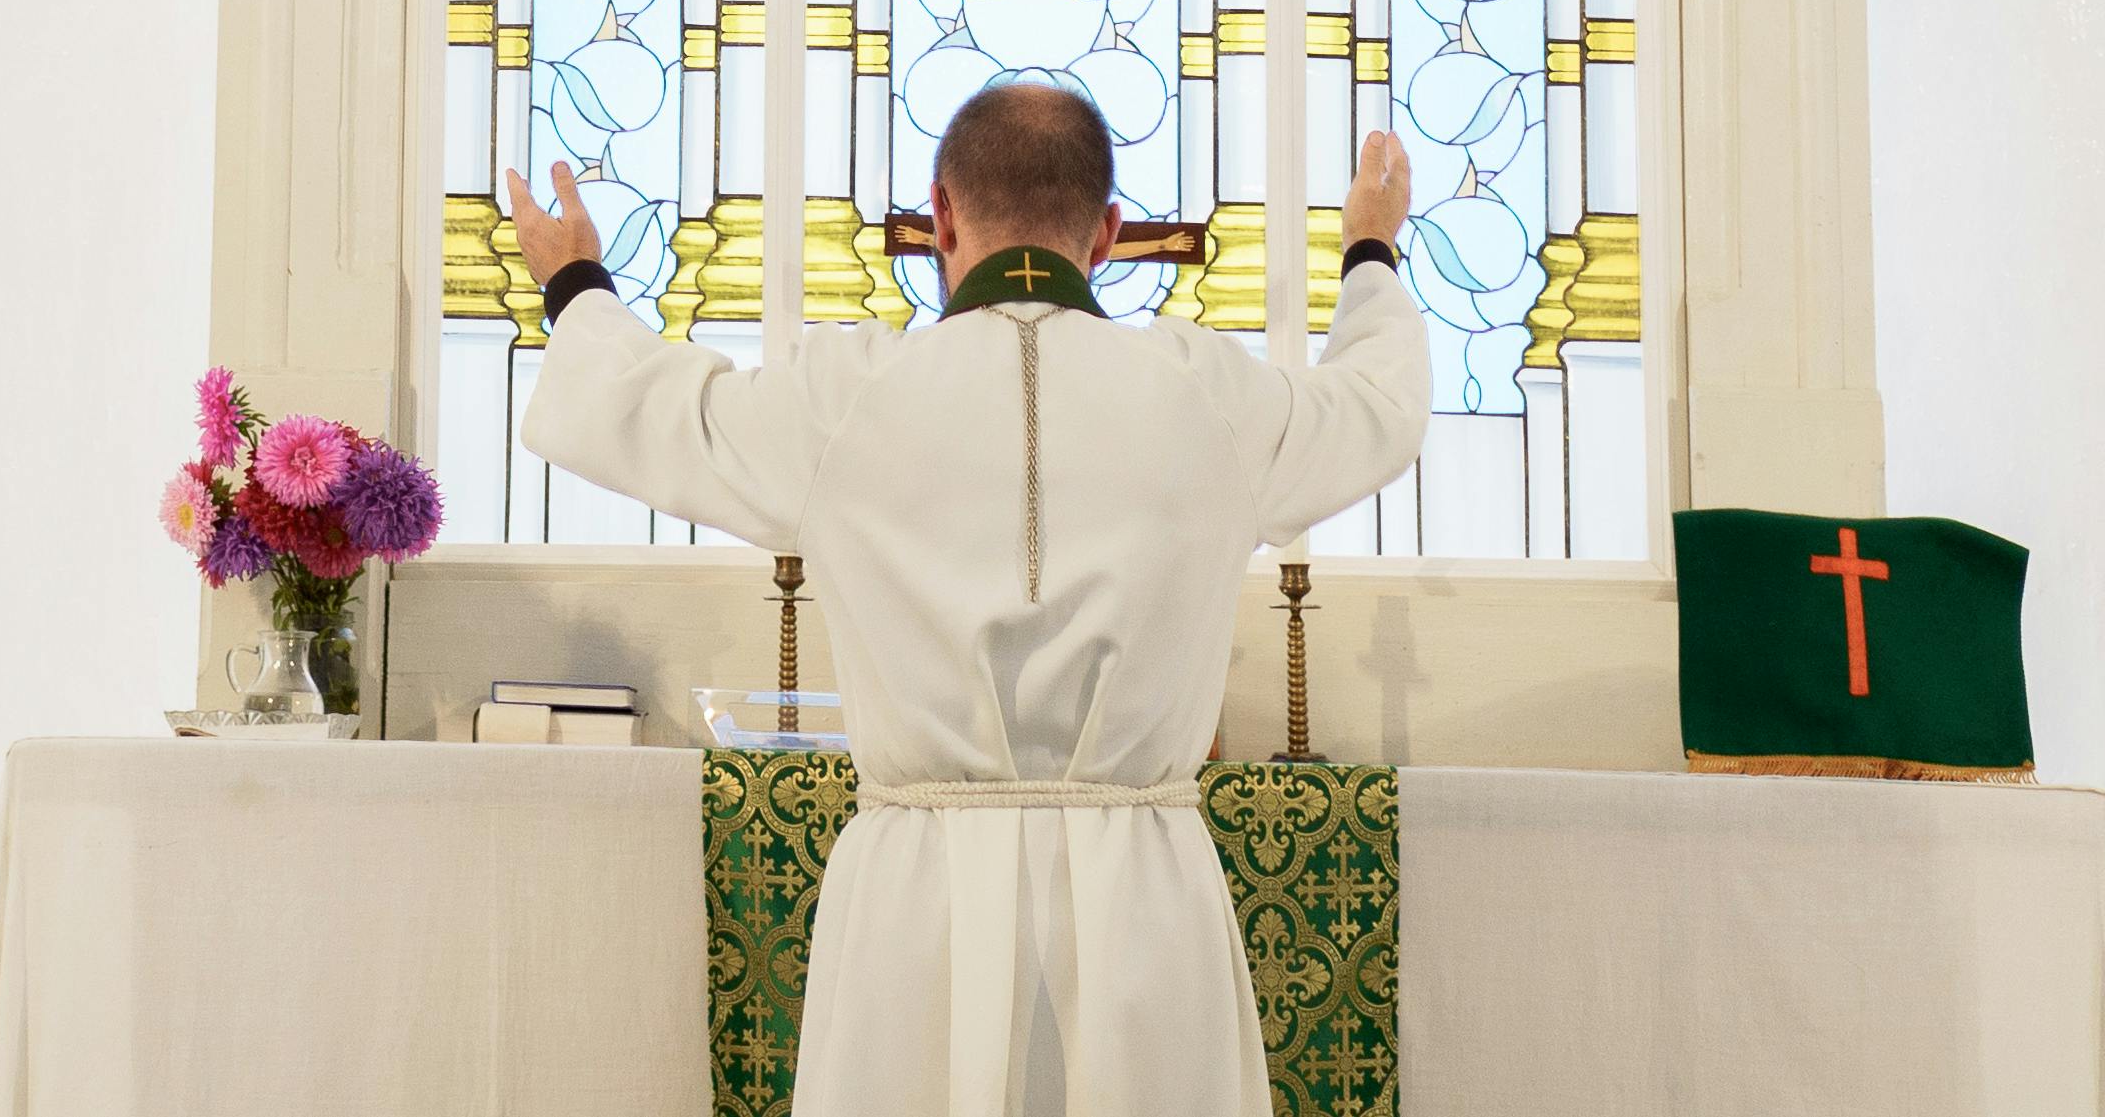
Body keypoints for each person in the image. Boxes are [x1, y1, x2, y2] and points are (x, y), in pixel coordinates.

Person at [503, 85, 1428, 1117]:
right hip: (1142, 894)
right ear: (1108, 232)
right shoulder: (1207, 392)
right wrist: (1368, 254)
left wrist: (576, 280)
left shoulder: (844, 393)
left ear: (939, 216)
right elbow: (1377, 408)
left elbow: (652, 409)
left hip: (917, 896)